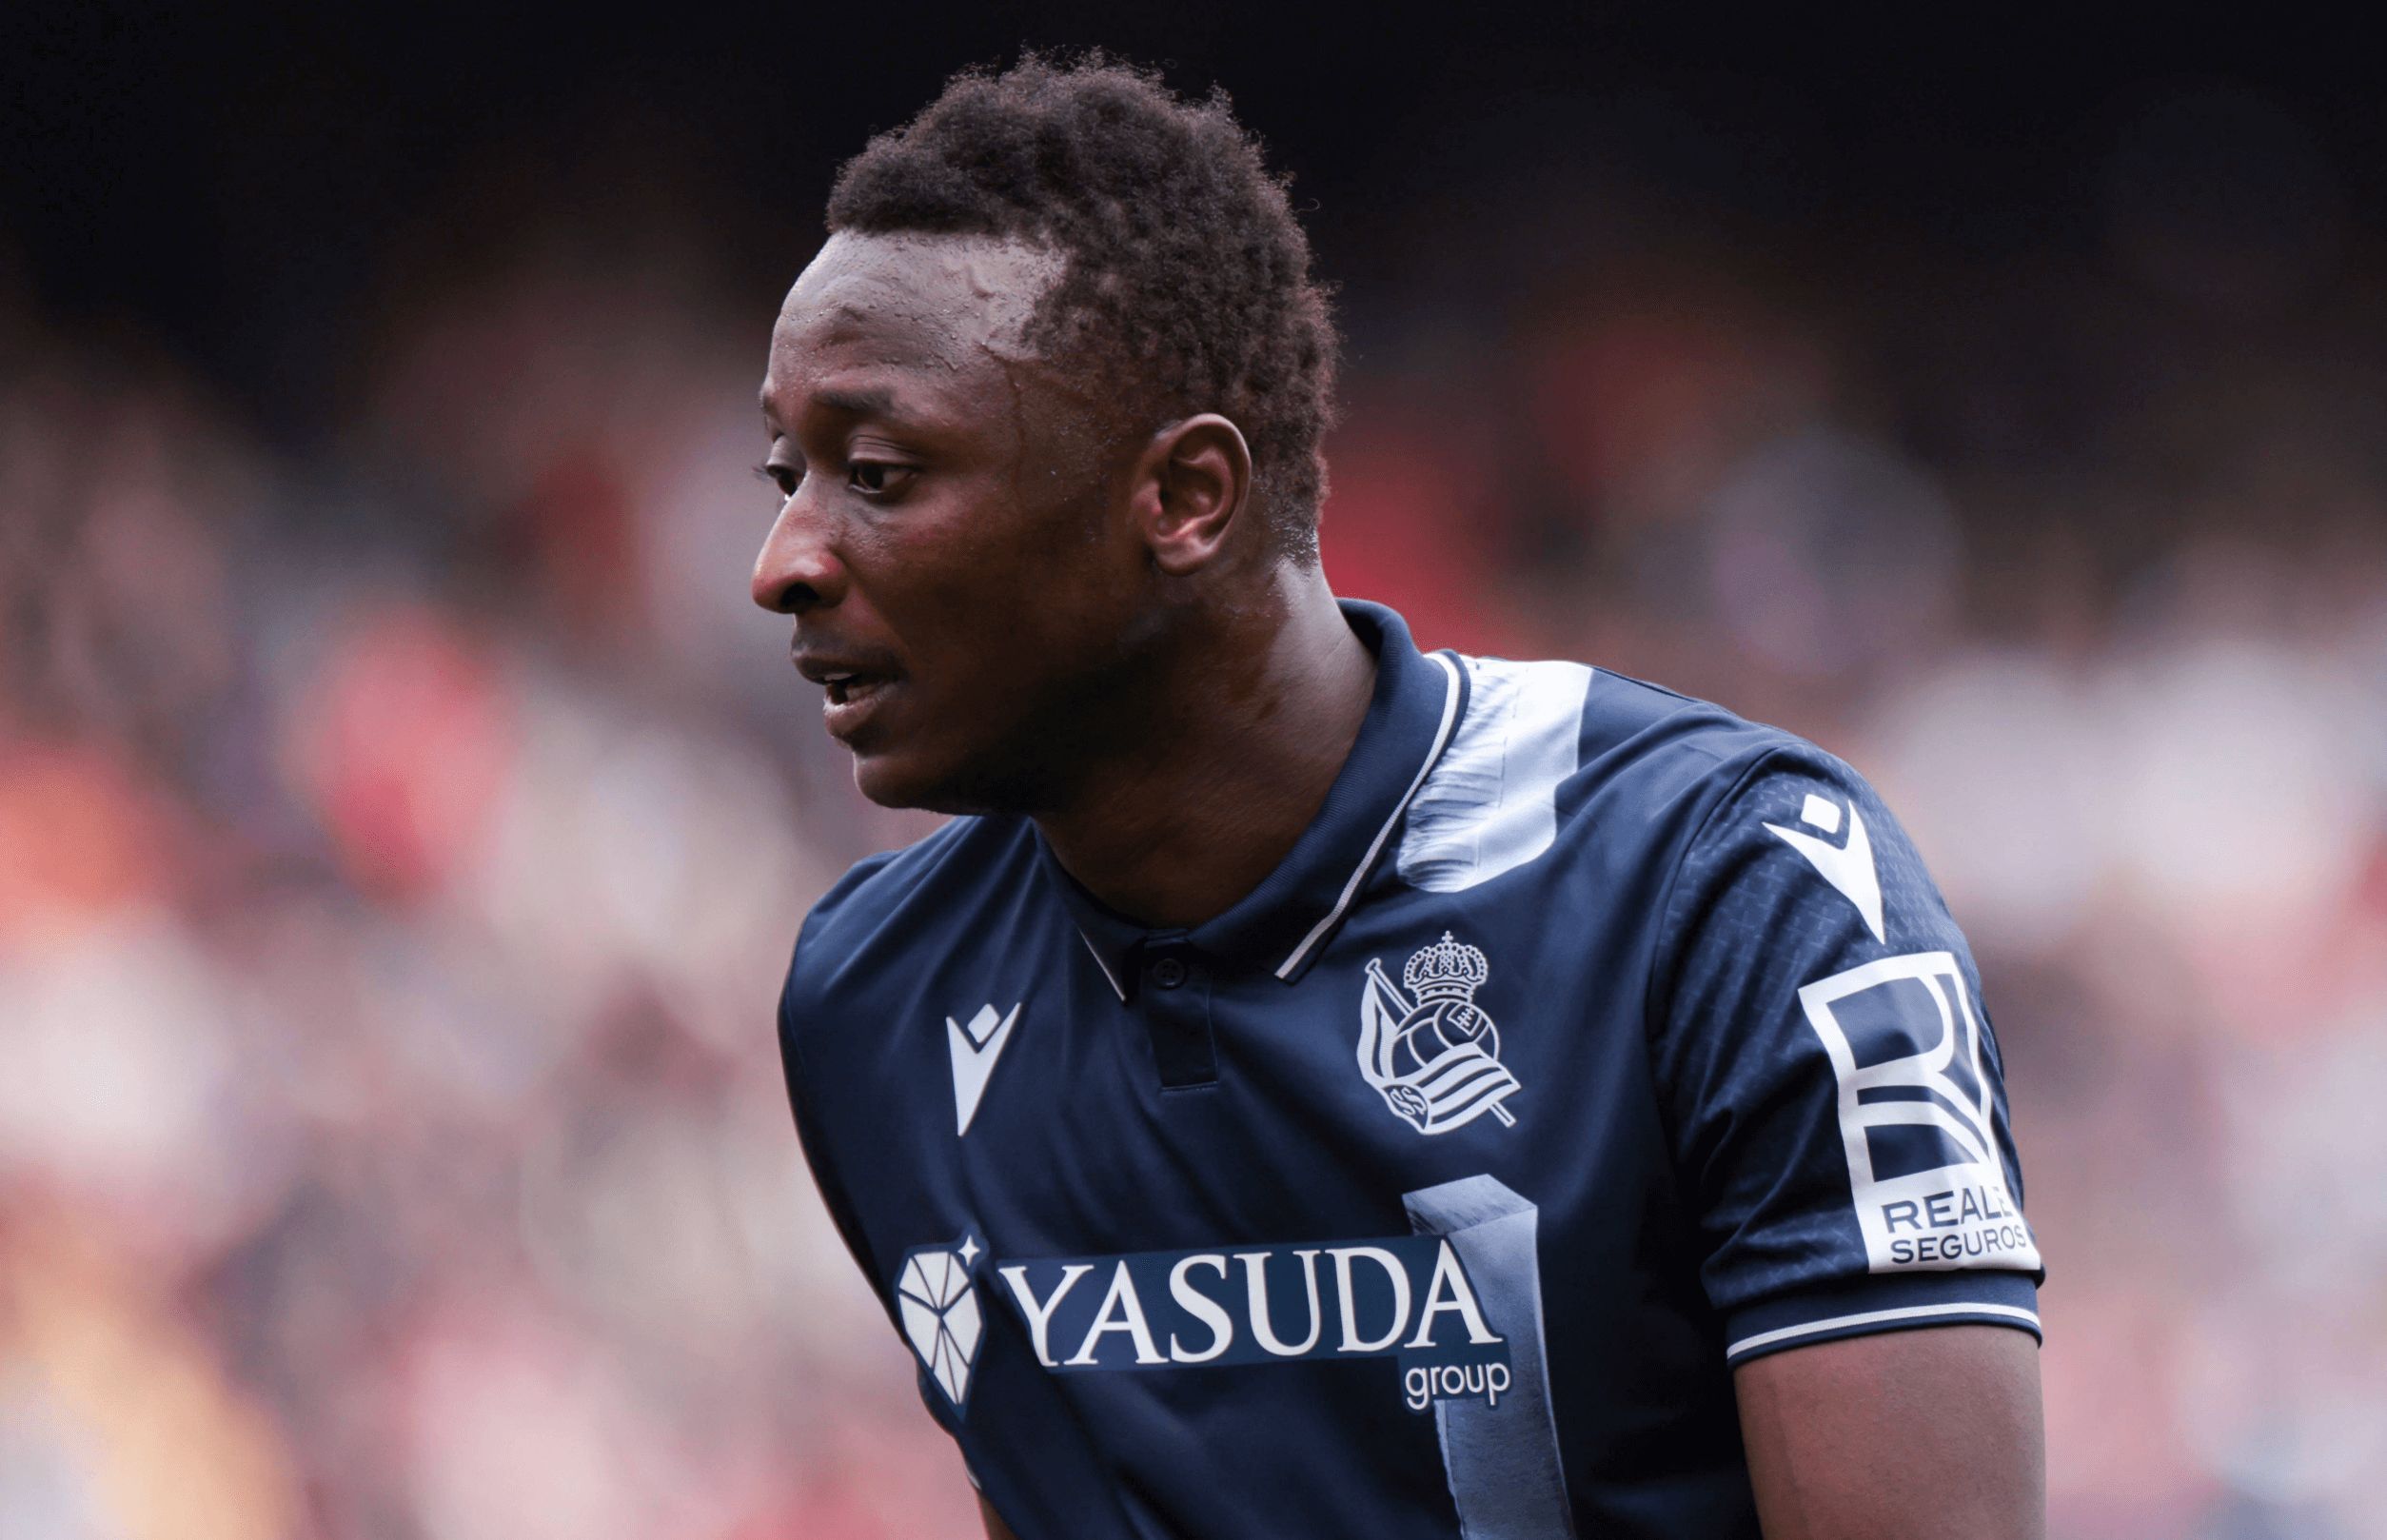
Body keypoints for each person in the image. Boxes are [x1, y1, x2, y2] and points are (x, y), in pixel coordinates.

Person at [753, 54, 2045, 1540]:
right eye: (787, 471)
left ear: (1183, 497)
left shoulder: (1740, 892)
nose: (782, 559)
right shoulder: (874, 998)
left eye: (880, 470)